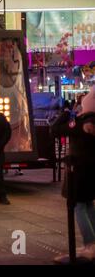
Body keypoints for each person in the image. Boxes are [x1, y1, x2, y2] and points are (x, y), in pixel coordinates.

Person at [52, 86, 95, 263]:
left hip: (79, 170)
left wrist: (67, 112)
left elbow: (55, 130)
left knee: (77, 205)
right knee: (88, 205)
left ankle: (90, 244)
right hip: (92, 169)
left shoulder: (84, 122)